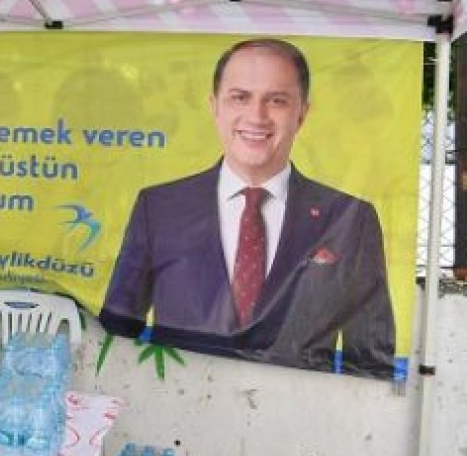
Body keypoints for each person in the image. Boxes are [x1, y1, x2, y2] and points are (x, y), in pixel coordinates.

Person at [99, 38, 396, 378]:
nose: (257, 116)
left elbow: (371, 362)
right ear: (215, 107)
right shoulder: (158, 208)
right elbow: (115, 337)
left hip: (299, 409)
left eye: (277, 100)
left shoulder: (349, 219)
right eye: (240, 97)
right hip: (178, 404)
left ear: (302, 113)